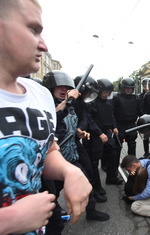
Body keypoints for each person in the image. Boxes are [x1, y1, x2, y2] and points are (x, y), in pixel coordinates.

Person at [0, 0, 91, 234]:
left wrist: (69, 171)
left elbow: (46, 149)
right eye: (33, 29)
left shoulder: (39, 95)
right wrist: (7, 221)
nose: (43, 45)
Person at [42, 71, 110, 224]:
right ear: (51, 87)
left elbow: (72, 124)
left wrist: (79, 132)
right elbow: (52, 120)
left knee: (86, 179)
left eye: (67, 87)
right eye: (60, 87)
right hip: (55, 158)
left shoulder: (71, 106)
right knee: (53, 191)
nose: (64, 90)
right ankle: (53, 217)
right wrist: (66, 101)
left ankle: (91, 211)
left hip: (73, 151)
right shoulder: (45, 107)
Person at [87, 78, 123, 186]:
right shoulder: (92, 103)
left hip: (107, 132)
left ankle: (111, 178)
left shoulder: (108, 102)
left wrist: (114, 127)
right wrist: (99, 133)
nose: (106, 94)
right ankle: (96, 186)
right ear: (98, 91)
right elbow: (90, 120)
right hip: (95, 134)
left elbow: (111, 116)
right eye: (105, 92)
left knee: (112, 153)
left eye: (108, 92)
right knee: (95, 160)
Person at [113, 77, 142, 157]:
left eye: (130, 88)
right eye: (126, 88)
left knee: (132, 147)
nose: (128, 90)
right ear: (122, 88)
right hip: (120, 125)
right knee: (117, 147)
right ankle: (115, 167)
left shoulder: (136, 98)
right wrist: (114, 127)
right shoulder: (116, 98)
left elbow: (141, 113)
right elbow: (112, 113)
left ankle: (132, 166)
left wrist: (142, 124)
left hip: (132, 125)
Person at [138, 77, 150, 157]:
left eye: (147, 86)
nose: (146, 88)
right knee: (145, 137)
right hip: (144, 118)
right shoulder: (140, 96)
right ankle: (146, 152)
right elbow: (139, 108)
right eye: (145, 86)